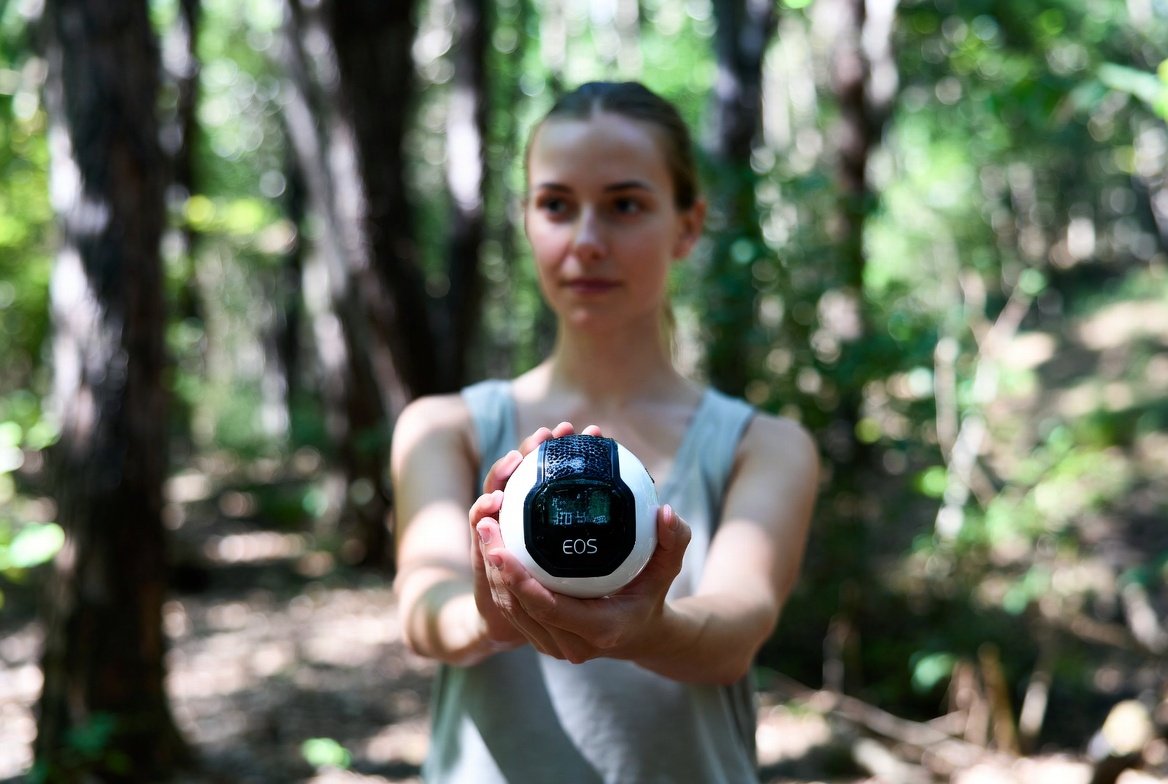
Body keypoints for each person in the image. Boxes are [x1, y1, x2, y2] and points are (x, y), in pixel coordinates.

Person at [391, 81, 819, 783]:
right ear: (526, 220)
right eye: (556, 205)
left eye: (625, 205)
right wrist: (491, 615)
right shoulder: (445, 429)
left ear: (687, 226)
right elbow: (421, 609)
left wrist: (650, 630)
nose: (587, 242)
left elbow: (737, 631)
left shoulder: (762, 447)